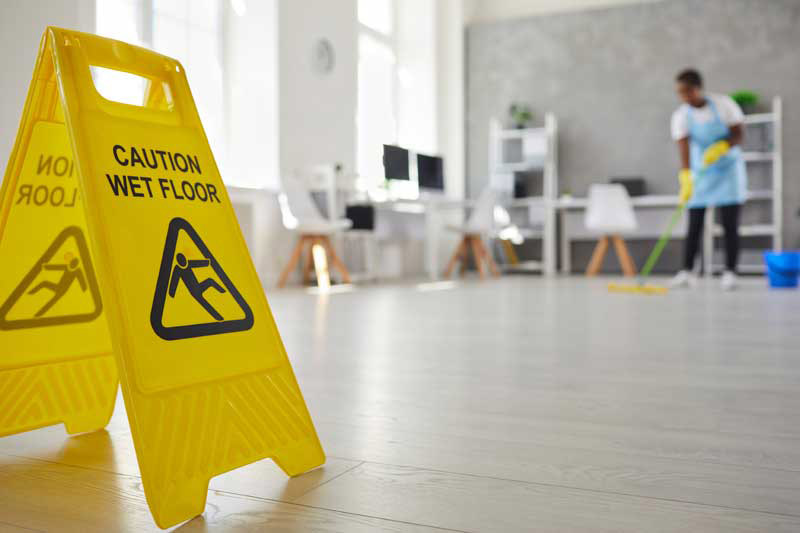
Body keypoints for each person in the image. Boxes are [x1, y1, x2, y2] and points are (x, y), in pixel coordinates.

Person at [670, 68, 747, 291]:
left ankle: (730, 272)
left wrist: (723, 145)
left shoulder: (724, 105)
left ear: (698, 88)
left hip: (728, 169)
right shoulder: (681, 116)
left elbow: (739, 134)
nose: (684, 97)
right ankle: (686, 271)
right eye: (680, 93)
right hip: (701, 170)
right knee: (694, 223)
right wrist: (686, 176)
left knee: (730, 223)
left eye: (687, 91)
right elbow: (683, 147)